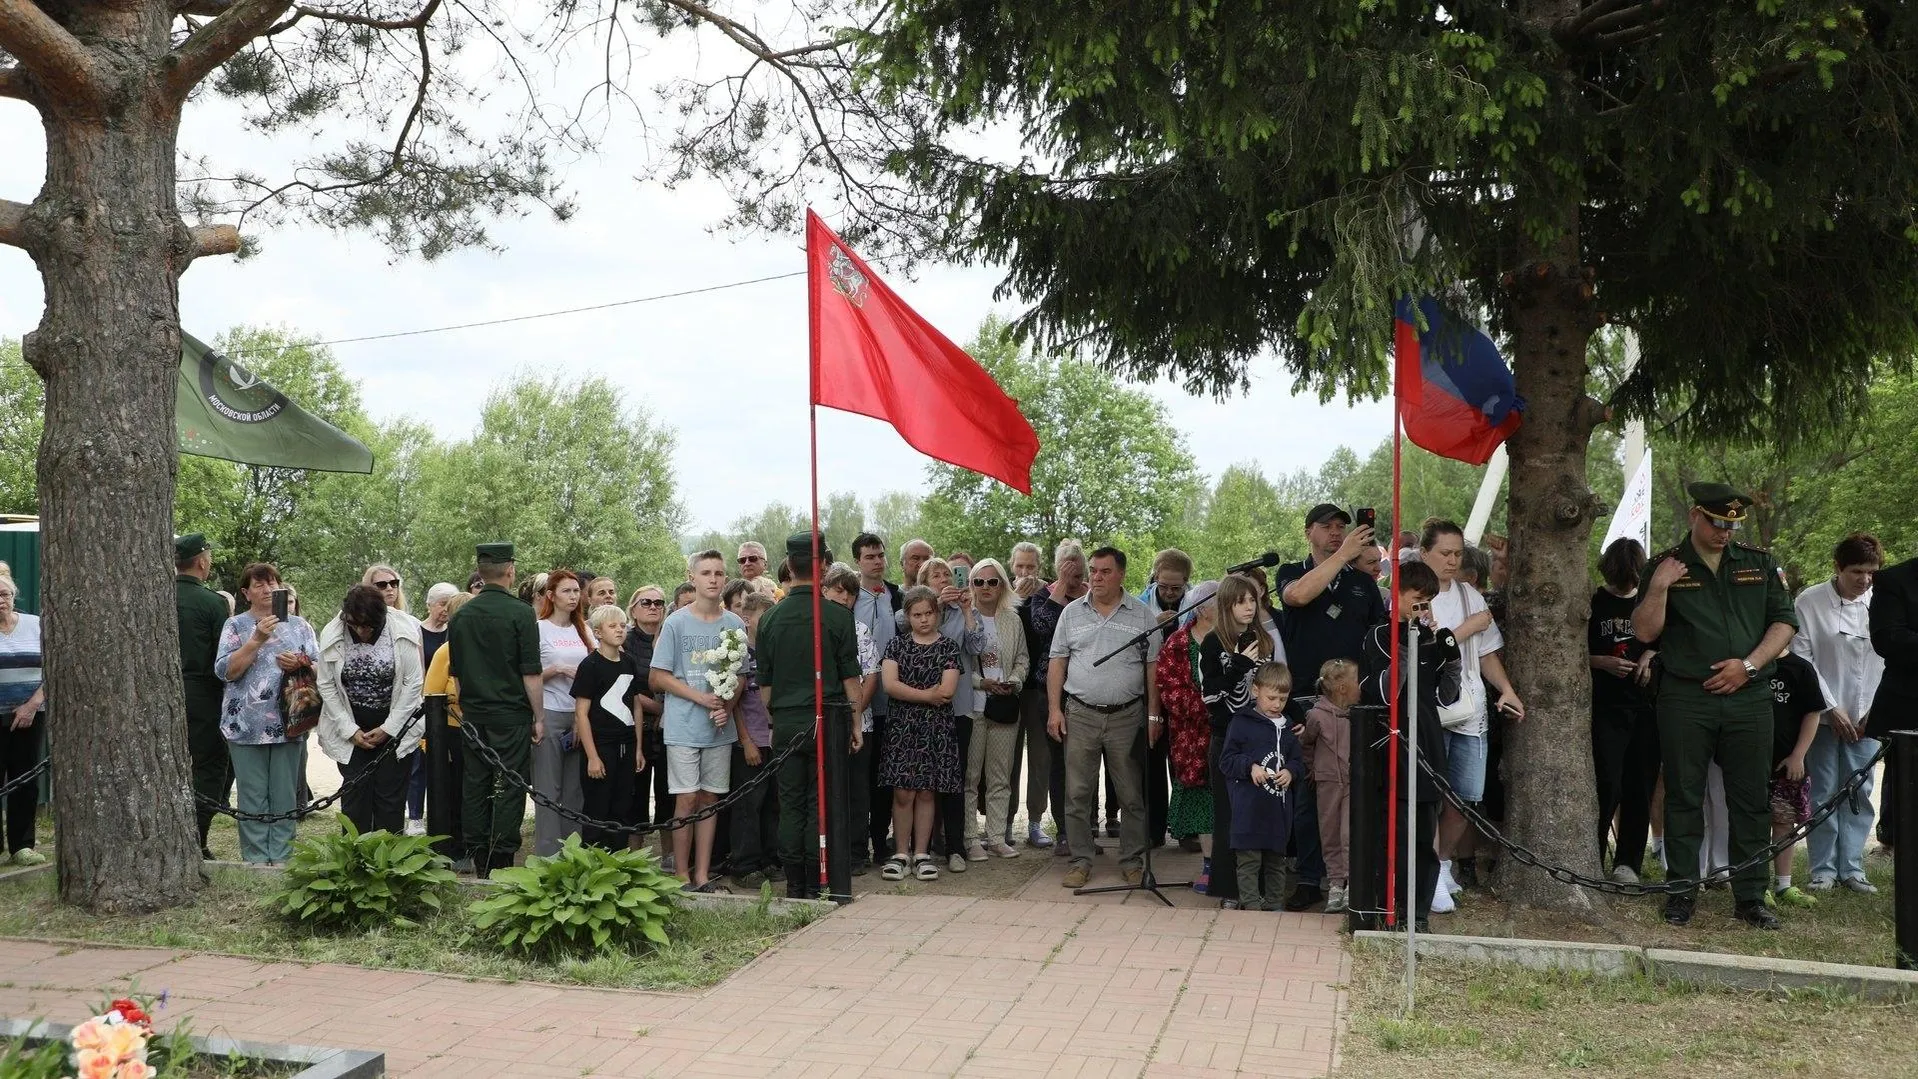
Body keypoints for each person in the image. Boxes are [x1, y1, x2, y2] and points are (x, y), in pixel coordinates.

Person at [1634, 483, 1798, 929]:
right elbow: (1645, 633)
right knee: (1684, 795)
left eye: (1732, 525)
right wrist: (1659, 589)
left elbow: (1784, 623)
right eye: (1717, 523)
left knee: (1749, 799)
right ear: (1695, 516)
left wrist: (1748, 665)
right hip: (1686, 697)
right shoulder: (1663, 565)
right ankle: (1680, 892)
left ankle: (1750, 897)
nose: (1724, 532)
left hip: (1749, 696)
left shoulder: (1758, 563)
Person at [1274, 503, 1387, 912]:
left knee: (1352, 794)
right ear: (1309, 532)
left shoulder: (1363, 583)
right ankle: (1308, 877)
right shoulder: (1291, 571)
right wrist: (1340, 557)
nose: (1337, 532)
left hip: (1356, 706)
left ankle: (1351, 879)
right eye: (1327, 526)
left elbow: (1379, 639)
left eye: (1342, 526)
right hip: (1307, 700)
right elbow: (1299, 596)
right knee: (1310, 795)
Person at [1419, 519, 1525, 914]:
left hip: (1470, 709)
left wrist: (1506, 689)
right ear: (1425, 552)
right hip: (1428, 710)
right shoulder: (1413, 595)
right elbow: (1427, 649)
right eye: (1444, 553)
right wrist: (1466, 629)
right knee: (1429, 795)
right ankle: (1428, 873)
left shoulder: (1471, 597)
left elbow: (1487, 654)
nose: (1451, 561)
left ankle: (1442, 863)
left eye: (1457, 554)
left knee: (1466, 797)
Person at [755, 533, 865, 898]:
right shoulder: (836, 615)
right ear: (822, 567)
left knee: (790, 804)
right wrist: (856, 723)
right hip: (826, 719)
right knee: (822, 802)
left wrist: (779, 721)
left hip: (786, 721)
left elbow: (766, 688)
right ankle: (821, 879)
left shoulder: (769, 619)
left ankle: (795, 884)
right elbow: (851, 678)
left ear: (789, 566)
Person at [1049, 546, 1162, 890]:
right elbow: (1058, 661)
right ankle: (1081, 860)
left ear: (1121, 574)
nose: (1096, 578)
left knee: (1130, 793)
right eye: (1093, 571)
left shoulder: (1142, 615)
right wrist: (1054, 709)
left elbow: (1152, 667)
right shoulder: (1071, 613)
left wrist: (1154, 715)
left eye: (1104, 572)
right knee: (1078, 792)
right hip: (1080, 713)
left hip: (1127, 716)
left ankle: (1131, 860)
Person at [1360, 560, 1454, 932]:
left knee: (1423, 837)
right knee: (1393, 833)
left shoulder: (1432, 636)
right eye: (1416, 600)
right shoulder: (1381, 636)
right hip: (1393, 743)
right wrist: (1407, 645)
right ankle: (1389, 906)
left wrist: (1449, 660)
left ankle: (1418, 912)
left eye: (1428, 602)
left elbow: (1447, 695)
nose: (1422, 609)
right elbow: (1385, 692)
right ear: (1396, 596)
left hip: (1428, 742)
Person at [1790, 533, 1884, 893]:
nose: (1864, 579)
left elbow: (1888, 659)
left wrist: (1871, 710)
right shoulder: (1810, 602)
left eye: (1871, 572)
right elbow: (1803, 659)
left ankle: (1853, 867)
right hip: (1823, 715)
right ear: (1838, 568)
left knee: (1860, 789)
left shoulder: (1881, 602)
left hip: (1868, 717)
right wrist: (1832, 707)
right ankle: (1823, 868)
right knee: (1825, 790)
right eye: (1857, 571)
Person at [447, 543, 544, 876]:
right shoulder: (520, 612)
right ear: (510, 570)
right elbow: (530, 672)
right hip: (511, 715)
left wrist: (468, 709)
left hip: (474, 715)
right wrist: (539, 717)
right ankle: (501, 856)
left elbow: (456, 675)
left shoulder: (460, 616)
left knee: (475, 784)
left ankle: (478, 856)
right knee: (508, 786)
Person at [651, 550, 745, 891]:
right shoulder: (676, 622)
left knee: (710, 799)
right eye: (706, 572)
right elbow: (657, 676)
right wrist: (700, 697)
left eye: (719, 573)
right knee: (686, 799)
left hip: (719, 729)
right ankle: (681, 875)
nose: (713, 579)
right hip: (683, 726)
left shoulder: (734, 624)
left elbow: (742, 677)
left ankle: (703, 875)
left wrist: (727, 704)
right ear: (693, 577)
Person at [215, 563, 320, 864]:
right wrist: (257, 639)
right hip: (245, 724)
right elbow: (226, 671)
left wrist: (300, 662)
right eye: (260, 584)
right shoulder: (235, 625)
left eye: (273, 582)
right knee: (253, 796)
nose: (268, 588)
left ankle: (283, 858)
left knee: (285, 794)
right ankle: (256, 860)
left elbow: (320, 667)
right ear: (246, 592)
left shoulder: (300, 626)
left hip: (291, 722)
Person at [315, 584, 425, 835]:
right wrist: (349, 729)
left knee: (389, 801)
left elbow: (413, 683)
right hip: (352, 728)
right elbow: (326, 684)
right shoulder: (333, 633)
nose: (362, 631)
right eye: (355, 625)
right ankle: (354, 862)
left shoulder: (403, 629)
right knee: (355, 801)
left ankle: (388, 865)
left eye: (369, 626)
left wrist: (389, 728)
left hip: (393, 726)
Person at [879, 585, 963, 882]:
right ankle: (901, 852)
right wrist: (927, 696)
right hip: (902, 727)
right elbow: (890, 684)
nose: (924, 619)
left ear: (937, 614)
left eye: (929, 613)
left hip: (935, 728)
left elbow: (948, 690)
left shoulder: (949, 647)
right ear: (908, 616)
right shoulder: (896, 646)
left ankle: (922, 853)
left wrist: (915, 693)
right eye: (917, 614)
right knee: (903, 792)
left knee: (927, 791)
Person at [1590, 538, 1660, 884]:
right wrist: (1600, 661)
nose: (1627, 587)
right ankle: (1594, 853)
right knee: (1607, 783)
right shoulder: (1595, 602)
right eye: (1622, 580)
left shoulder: (1652, 601)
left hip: (1645, 706)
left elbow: (1668, 642)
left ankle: (1628, 862)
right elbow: (1571, 652)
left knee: (1640, 784)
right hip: (1606, 705)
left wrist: (1650, 655)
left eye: (1632, 580)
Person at [1198, 574, 1269, 908]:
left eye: (1252, 600)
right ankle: (1228, 889)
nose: (1248, 607)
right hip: (1227, 739)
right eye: (1241, 601)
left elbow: (1272, 686)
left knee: (1260, 815)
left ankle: (1258, 889)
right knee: (1228, 816)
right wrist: (1238, 666)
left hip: (1262, 740)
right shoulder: (1213, 642)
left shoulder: (1263, 639)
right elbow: (1210, 697)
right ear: (1226, 605)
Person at [919, 556, 990, 872]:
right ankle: (926, 843)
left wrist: (964, 608)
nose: (944, 579)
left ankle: (955, 847)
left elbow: (977, 647)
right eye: (936, 575)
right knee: (924, 778)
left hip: (958, 705)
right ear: (925, 582)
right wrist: (934, 603)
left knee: (954, 778)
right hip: (921, 704)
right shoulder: (918, 609)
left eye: (948, 574)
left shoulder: (966, 610)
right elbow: (904, 626)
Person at [1220, 662, 1304, 911]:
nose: (1277, 704)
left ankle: (1274, 905)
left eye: (1283, 698)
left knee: (1276, 862)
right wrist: (1250, 767)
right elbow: (1226, 760)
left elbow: (1298, 761)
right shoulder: (1241, 722)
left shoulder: (1287, 727)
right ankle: (1251, 908)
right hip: (1248, 811)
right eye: (1271, 698)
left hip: (1277, 813)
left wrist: (1290, 771)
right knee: (1248, 862)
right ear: (1255, 691)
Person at [962, 558, 1028, 859]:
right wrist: (980, 683)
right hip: (972, 705)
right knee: (970, 776)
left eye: (992, 581)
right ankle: (970, 839)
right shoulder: (962, 617)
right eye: (979, 581)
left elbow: (1023, 659)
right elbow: (956, 663)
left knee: (1001, 776)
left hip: (1004, 705)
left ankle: (997, 837)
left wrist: (1013, 681)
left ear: (1002, 584)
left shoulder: (1012, 619)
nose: (985, 587)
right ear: (971, 584)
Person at [1027, 540, 1088, 853]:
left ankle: (1086, 829)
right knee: (1059, 765)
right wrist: (1061, 588)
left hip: (1088, 691)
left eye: (1078, 574)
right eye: (1068, 572)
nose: (1074, 579)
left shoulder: (1093, 596)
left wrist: (1078, 589)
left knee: (1087, 763)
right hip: (1051, 692)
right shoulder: (1043, 597)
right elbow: (1043, 626)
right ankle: (1065, 831)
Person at [823, 562, 884, 875]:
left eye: (850, 594)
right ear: (824, 591)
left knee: (858, 791)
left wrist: (855, 712)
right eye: (838, 591)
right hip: (824, 724)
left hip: (863, 722)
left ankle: (858, 853)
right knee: (829, 790)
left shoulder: (860, 630)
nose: (844, 599)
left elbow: (871, 675)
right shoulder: (815, 630)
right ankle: (830, 852)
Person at [571, 603, 645, 852]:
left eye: (623, 625)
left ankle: (619, 860)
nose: (620, 630)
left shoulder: (629, 663)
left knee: (622, 805)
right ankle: (592, 864)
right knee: (597, 807)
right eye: (612, 626)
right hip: (601, 745)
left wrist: (638, 749)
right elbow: (581, 713)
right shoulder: (590, 666)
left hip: (626, 744)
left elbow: (635, 706)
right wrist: (592, 756)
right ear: (598, 632)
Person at [175, 533, 231, 859]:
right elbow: (221, 657)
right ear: (202, 561)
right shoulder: (213, 602)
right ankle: (197, 839)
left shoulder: (155, 595)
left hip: (157, 692)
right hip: (202, 695)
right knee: (210, 765)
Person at [850, 533, 903, 869]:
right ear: (858, 560)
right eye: (870, 556)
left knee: (885, 777)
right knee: (861, 776)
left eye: (881, 555)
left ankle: (882, 841)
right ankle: (856, 845)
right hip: (858, 701)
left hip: (892, 699)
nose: (877, 561)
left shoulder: (896, 596)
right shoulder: (849, 596)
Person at [1137, 549, 1194, 849]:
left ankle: (1188, 829)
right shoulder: (1138, 605)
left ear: (1187, 582)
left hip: (1186, 693)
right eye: (1164, 587)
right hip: (1150, 692)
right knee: (1152, 761)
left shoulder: (1197, 603)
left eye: (1177, 588)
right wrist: (1153, 625)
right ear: (1154, 578)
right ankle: (1153, 829)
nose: (1170, 593)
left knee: (1186, 762)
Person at [533, 569, 591, 856]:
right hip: (550, 711)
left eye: (576, 591)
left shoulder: (584, 629)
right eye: (567, 591)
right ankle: (547, 856)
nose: (573, 596)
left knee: (574, 791)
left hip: (579, 714)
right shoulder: (540, 628)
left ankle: (573, 853)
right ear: (551, 596)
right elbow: (528, 677)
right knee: (548, 789)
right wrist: (556, 669)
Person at [1866, 547, 1918, 856]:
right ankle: (1896, 841)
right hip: (1910, 703)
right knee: (1906, 783)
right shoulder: (1894, 581)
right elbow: (1888, 638)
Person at [726, 591, 779, 888]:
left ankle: (770, 858)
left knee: (774, 802)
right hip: (750, 739)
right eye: (764, 616)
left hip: (776, 738)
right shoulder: (736, 652)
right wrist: (745, 740)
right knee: (749, 804)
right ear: (747, 619)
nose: (769, 622)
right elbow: (734, 703)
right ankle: (744, 863)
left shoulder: (775, 649)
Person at [1299, 658, 1360, 914]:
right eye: (1356, 681)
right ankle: (1336, 882)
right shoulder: (1315, 715)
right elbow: (1306, 743)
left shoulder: (1357, 714)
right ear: (1343, 688)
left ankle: (1351, 884)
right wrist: (1313, 770)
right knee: (1330, 832)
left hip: (1351, 783)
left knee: (1348, 833)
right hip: (1327, 783)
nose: (1361, 686)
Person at [1766, 650, 1825, 909]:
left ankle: (1783, 884)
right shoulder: (1748, 664)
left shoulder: (1801, 668)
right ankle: (1756, 883)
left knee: (1784, 822)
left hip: (1788, 762)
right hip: (1750, 761)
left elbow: (1813, 713)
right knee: (1752, 822)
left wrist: (1798, 755)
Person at [1006, 540, 1053, 849]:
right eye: (1020, 566)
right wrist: (1014, 601)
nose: (1025, 572)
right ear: (1012, 566)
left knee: (1041, 758)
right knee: (1007, 759)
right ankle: (1004, 823)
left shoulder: (1049, 595)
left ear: (1039, 567)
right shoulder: (999, 592)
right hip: (1009, 688)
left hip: (1039, 687)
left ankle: (1035, 822)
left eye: (1031, 566)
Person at [422, 589, 474, 868]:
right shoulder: (445, 651)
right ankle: (454, 848)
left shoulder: (482, 647)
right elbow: (431, 694)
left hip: (479, 731)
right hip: (453, 730)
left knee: (473, 791)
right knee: (453, 791)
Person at [0, 572, 45, 866]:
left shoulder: (35, 625)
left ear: (14, 596)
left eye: (4, 594)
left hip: (29, 715)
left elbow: (56, 666)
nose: (0, 601)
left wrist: (32, 705)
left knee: (24, 778)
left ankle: (22, 845)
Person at [408, 582, 460, 835]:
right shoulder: (417, 631)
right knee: (420, 763)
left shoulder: (456, 632)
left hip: (451, 710)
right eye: (441, 604)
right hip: (423, 706)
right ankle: (415, 815)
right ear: (429, 604)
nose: (445, 610)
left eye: (450, 604)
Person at [624, 585, 671, 860]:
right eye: (646, 602)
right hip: (637, 728)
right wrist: (658, 707)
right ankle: (634, 859)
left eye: (659, 602)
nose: (653, 607)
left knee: (668, 795)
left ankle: (670, 858)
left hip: (668, 730)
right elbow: (624, 687)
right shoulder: (626, 642)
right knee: (635, 797)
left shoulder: (671, 636)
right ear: (633, 609)